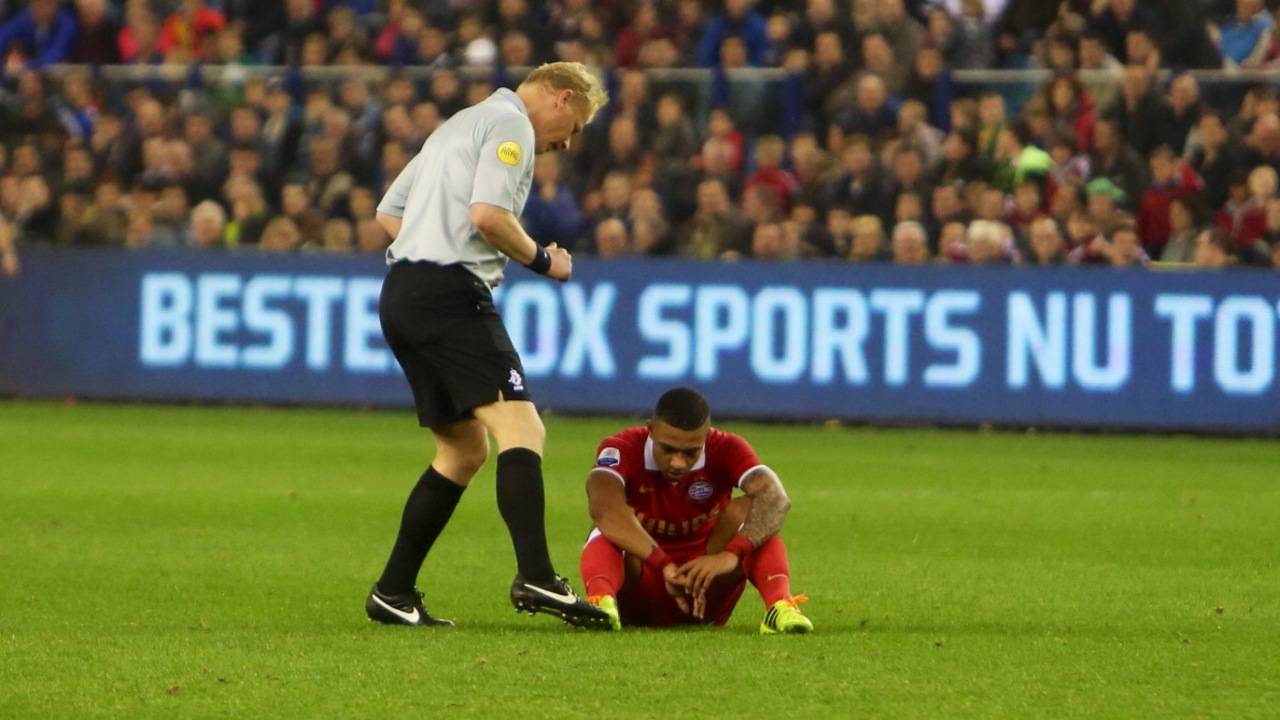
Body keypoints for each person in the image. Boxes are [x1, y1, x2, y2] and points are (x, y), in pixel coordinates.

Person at [366, 62, 611, 630]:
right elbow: (488, 216)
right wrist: (546, 260)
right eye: (573, 126)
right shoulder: (511, 126)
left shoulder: (458, 123)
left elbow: (388, 213)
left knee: (462, 451)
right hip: (451, 294)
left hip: (403, 291)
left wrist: (431, 250)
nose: (567, 142)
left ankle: (393, 592)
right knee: (522, 428)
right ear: (560, 96)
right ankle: (537, 576)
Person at [578, 387, 813, 634]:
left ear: (705, 437)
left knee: (755, 515)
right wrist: (663, 564)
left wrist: (731, 554)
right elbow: (604, 507)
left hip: (705, 588)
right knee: (606, 528)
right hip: (641, 588)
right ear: (651, 429)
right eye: (667, 449)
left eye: (691, 452)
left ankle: (780, 605)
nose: (678, 463)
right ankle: (601, 605)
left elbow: (775, 499)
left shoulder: (726, 447)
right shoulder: (621, 448)